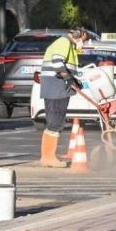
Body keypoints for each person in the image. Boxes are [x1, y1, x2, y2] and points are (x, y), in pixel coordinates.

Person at [38, 27, 89, 167]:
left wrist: (74, 80)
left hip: (57, 88)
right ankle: (48, 158)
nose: (82, 43)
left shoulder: (68, 45)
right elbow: (57, 62)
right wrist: (68, 78)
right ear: (77, 35)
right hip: (56, 89)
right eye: (83, 40)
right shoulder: (64, 42)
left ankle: (47, 157)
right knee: (55, 121)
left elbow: (66, 66)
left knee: (54, 121)